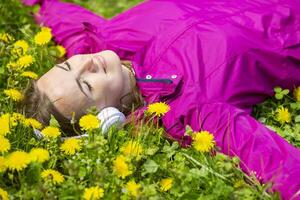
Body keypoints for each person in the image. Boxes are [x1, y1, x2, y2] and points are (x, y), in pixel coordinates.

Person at [21, 0, 300, 199]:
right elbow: (263, 155)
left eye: (68, 66)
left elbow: (57, 14)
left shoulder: (100, 40)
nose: (86, 65)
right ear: (106, 119)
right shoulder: (186, 108)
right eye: (85, 86)